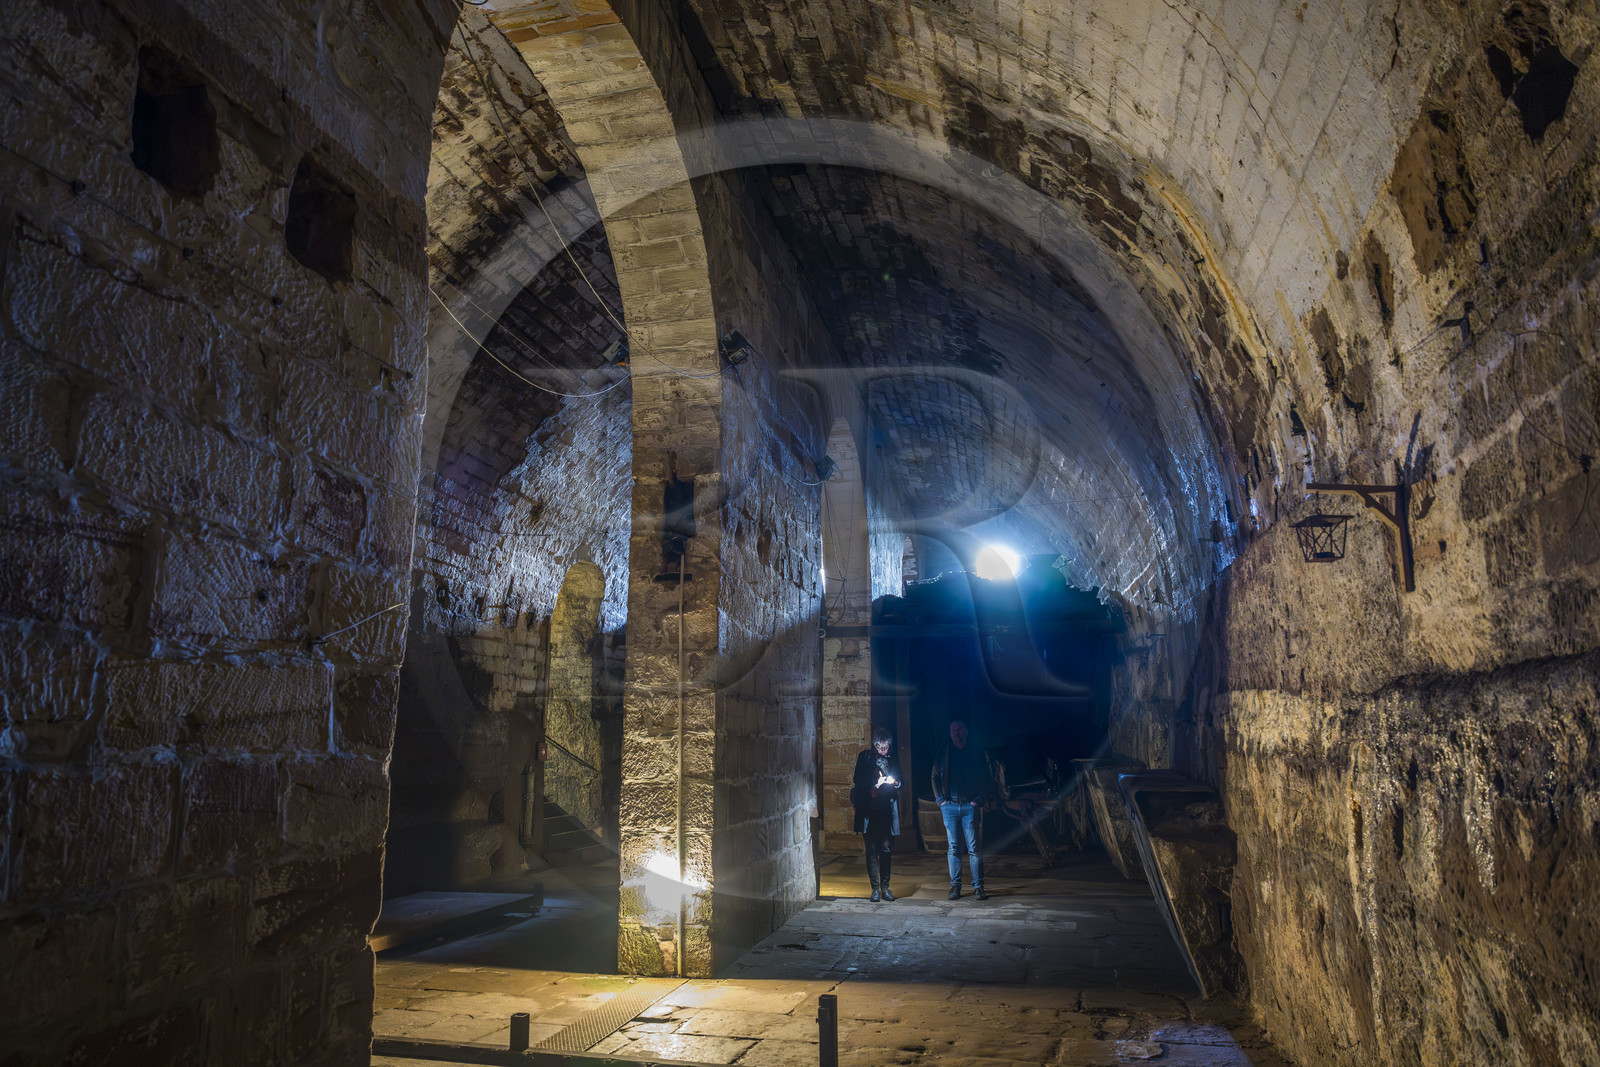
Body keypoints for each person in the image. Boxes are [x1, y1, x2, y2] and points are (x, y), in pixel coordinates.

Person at [931, 719, 990, 900]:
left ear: (966, 732)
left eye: (959, 729)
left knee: (974, 848)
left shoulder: (976, 753)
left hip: (968, 806)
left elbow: (987, 779)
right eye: (953, 730)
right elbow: (934, 775)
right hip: (949, 806)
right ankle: (955, 887)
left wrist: (978, 801)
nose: (955, 733)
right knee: (954, 848)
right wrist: (940, 800)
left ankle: (978, 887)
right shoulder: (944, 753)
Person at [852, 726, 902, 902]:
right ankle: (874, 889)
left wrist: (894, 782)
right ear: (874, 745)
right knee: (871, 850)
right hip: (869, 810)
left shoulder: (892, 758)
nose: (883, 750)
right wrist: (875, 783)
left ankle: (885, 888)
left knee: (886, 849)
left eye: (886, 747)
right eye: (880, 747)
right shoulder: (865, 758)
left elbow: (900, 780)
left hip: (886, 811)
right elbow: (857, 780)